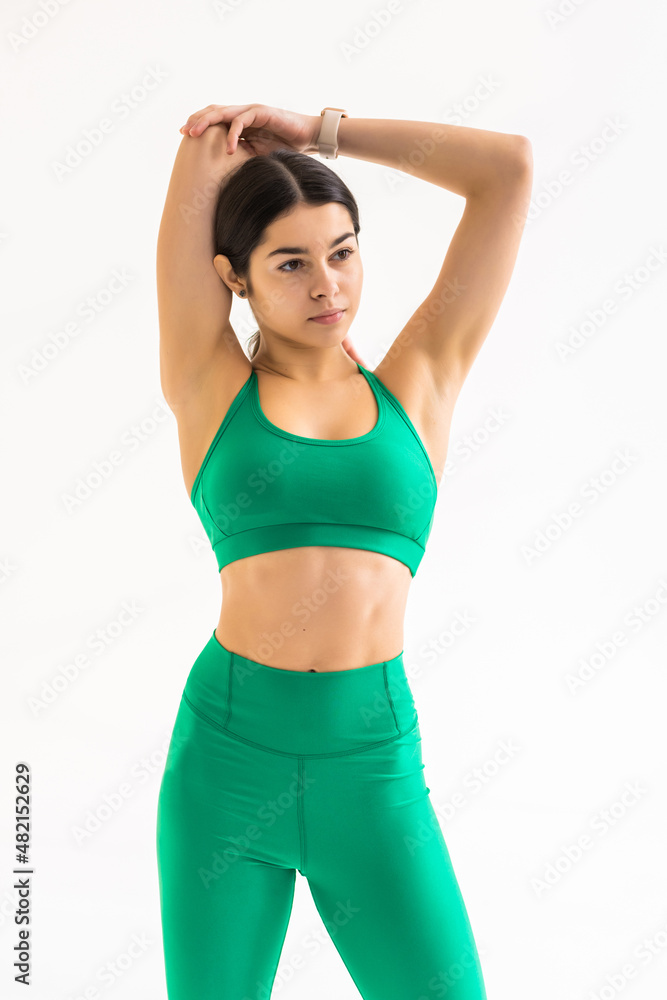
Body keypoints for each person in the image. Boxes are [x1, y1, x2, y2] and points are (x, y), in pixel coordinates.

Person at [155, 102, 532, 1000]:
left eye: (342, 250)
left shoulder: (421, 379)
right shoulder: (209, 382)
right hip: (225, 766)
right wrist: (235, 141)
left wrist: (321, 131)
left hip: (373, 773)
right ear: (233, 277)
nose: (328, 283)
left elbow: (506, 171)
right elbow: (205, 151)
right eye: (290, 262)